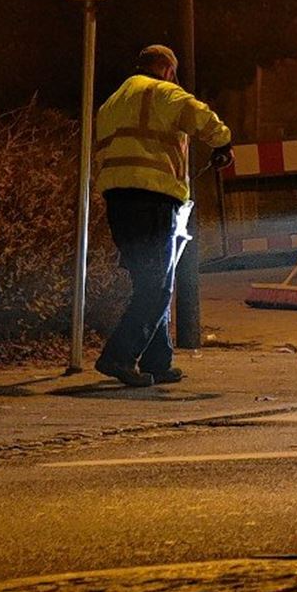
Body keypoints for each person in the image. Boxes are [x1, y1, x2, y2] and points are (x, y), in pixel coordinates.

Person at [93, 45, 234, 387]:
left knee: (150, 281)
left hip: (118, 199)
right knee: (157, 285)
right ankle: (119, 357)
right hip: (153, 197)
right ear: (167, 68)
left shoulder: (112, 103)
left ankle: (158, 362)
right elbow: (201, 118)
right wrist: (223, 141)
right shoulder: (163, 92)